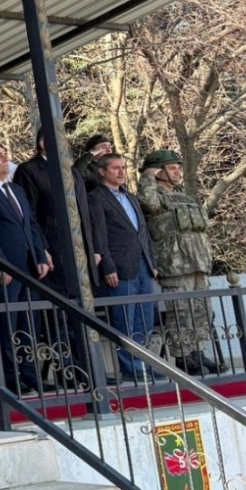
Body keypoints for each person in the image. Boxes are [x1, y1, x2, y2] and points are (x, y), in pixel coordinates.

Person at [0, 143, 54, 395]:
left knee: (30, 323)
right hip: (6, 271)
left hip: (30, 268)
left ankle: (30, 374)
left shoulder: (17, 190)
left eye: (5, 153)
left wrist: (40, 254)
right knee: (7, 325)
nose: (5, 158)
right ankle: (10, 377)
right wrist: (1, 264)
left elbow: (32, 225)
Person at [137, 149, 219, 375]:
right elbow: (148, 203)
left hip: (198, 262)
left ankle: (197, 351)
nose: (177, 172)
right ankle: (183, 356)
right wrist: (147, 177)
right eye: (172, 168)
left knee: (201, 309)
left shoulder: (182, 195)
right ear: (158, 171)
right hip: (174, 264)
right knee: (181, 311)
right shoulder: (152, 194)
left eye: (178, 168)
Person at [89, 154, 161, 382]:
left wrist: (152, 262)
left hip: (143, 265)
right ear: (102, 171)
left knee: (145, 318)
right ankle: (130, 368)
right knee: (124, 320)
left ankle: (144, 364)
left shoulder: (130, 196)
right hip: (119, 268)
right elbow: (99, 236)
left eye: (123, 167)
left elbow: (143, 232)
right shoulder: (96, 198)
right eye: (115, 168)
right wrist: (108, 267)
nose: (121, 172)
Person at [14, 131, 104, 294]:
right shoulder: (29, 170)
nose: (65, 145)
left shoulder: (72, 172)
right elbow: (28, 215)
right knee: (61, 302)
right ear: (43, 143)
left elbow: (86, 212)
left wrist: (95, 249)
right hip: (54, 253)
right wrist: (41, 249)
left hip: (83, 255)